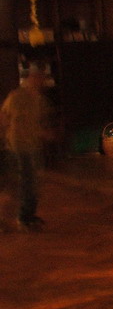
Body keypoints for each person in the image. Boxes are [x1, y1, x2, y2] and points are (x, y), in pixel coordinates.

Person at [0, 64, 54, 231]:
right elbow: (4, 117)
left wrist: (44, 133)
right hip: (17, 147)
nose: (39, 81)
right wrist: (6, 136)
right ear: (30, 78)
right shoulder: (16, 97)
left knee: (32, 184)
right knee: (17, 185)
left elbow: (41, 123)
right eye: (36, 77)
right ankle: (18, 218)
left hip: (33, 146)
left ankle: (27, 216)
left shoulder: (40, 100)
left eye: (41, 78)